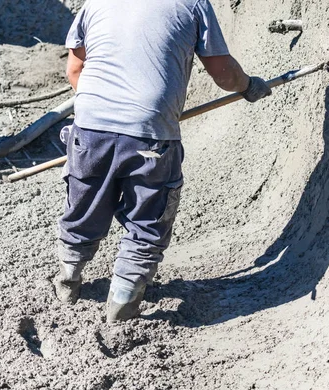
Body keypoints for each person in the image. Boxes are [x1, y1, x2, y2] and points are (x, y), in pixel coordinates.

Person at [53, 0, 272, 322]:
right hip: (150, 132)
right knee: (148, 218)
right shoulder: (192, 3)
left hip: (89, 128)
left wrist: (104, 115)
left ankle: (69, 277)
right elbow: (223, 73)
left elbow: (75, 70)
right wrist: (248, 85)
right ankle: (122, 304)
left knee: (85, 203)